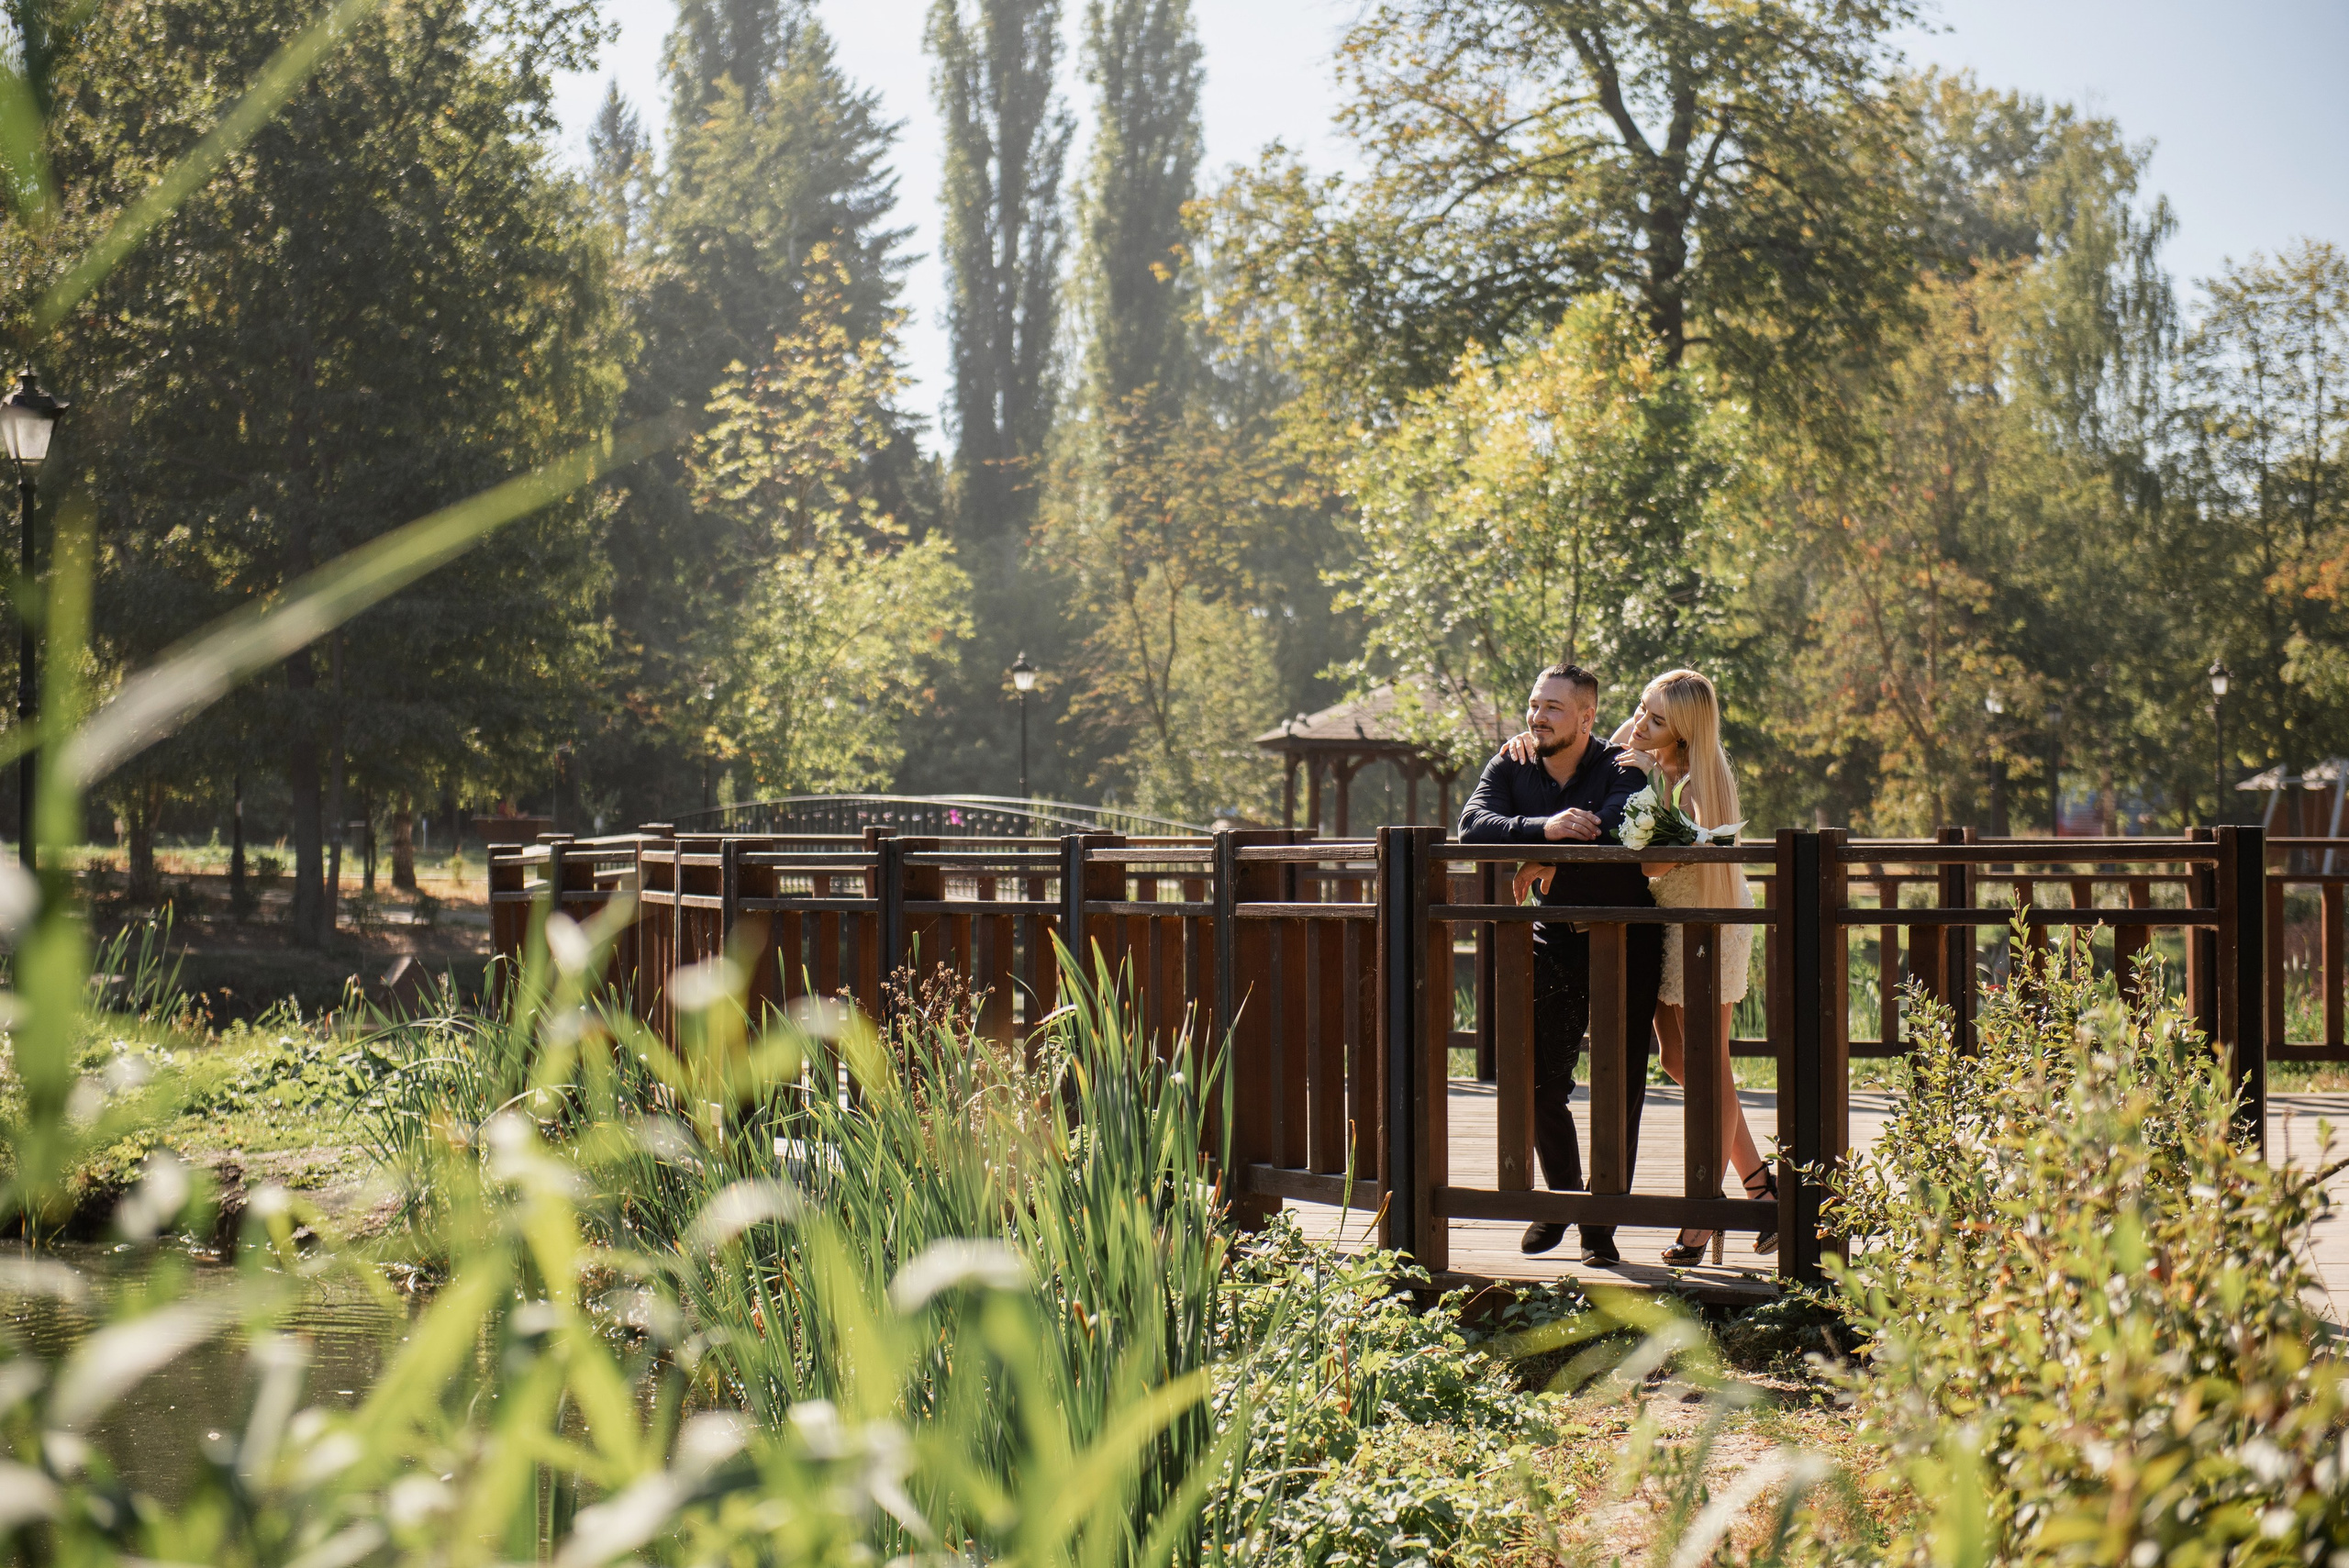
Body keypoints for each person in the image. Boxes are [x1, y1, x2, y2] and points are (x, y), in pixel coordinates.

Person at [1503, 668, 1776, 1263]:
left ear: (1682, 730)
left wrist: (1639, 790)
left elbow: (1652, 865)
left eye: (1656, 719)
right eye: (1641, 711)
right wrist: (1625, 735)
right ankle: (1763, 1187)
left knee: (1709, 1064)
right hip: (1671, 926)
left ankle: (1706, 1208)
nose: (1642, 725)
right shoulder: (1659, 764)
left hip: (1708, 923)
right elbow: (1618, 751)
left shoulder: (1696, 781)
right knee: (1681, 1058)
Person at [1457, 664, 1664, 1265]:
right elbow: (1473, 827)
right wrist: (1542, 829)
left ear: (1586, 716)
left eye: (1553, 707)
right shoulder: (1514, 763)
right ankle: (1564, 1197)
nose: (1538, 716)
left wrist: (1554, 862)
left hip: (1626, 938)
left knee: (1619, 1083)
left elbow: (1626, 835)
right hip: (1556, 936)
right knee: (1539, 1080)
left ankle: (1600, 1225)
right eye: (1534, 704)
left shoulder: (1620, 765)